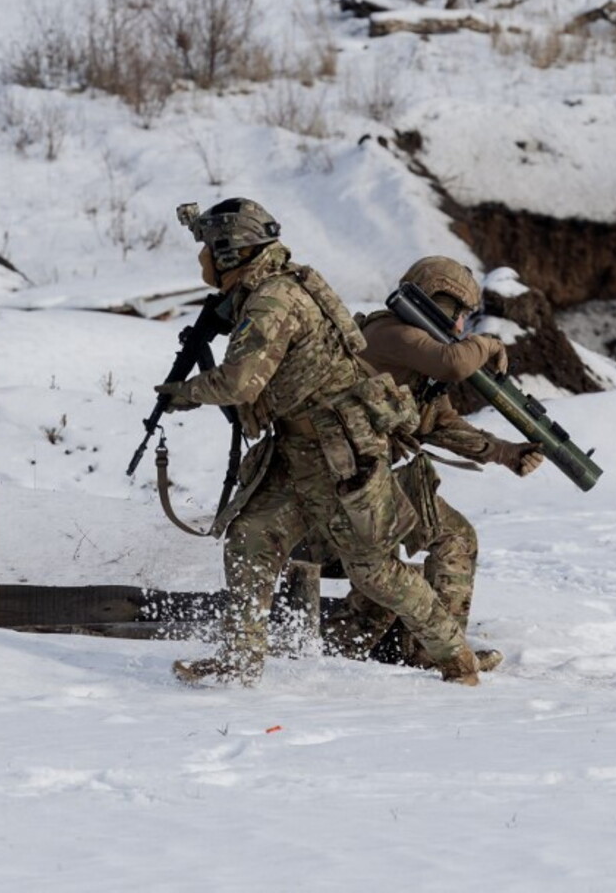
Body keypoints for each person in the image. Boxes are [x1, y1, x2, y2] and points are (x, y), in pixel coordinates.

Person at [157, 199, 485, 687]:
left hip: (341, 457)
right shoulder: (271, 287)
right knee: (249, 540)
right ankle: (241, 657)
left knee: (375, 572)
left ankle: (457, 660)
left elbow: (240, 383)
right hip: (296, 452)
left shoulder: (273, 299)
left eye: (208, 247)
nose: (203, 258)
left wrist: (183, 393)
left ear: (231, 252)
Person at [321, 255, 544, 671]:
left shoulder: (416, 354)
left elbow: (440, 423)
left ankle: (359, 648)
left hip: (370, 484)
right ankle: (432, 651)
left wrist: (506, 453)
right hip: (342, 486)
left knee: (444, 543)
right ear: (431, 298)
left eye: (465, 316)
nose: (459, 325)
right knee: (444, 543)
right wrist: (490, 344)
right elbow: (455, 364)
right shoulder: (390, 334)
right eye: (455, 311)